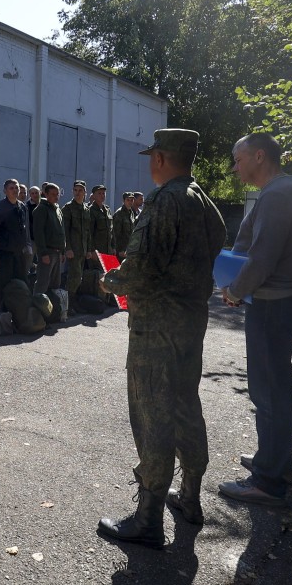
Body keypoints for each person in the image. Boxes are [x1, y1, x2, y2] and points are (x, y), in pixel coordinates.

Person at [96, 128, 225, 547]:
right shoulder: (205, 203)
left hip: (156, 328)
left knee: (152, 412)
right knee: (186, 404)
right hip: (191, 324)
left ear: (161, 158)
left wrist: (109, 281)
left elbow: (142, 266)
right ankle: (190, 497)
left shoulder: (163, 199)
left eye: (153, 156)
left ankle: (148, 517)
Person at [217, 132, 292, 506]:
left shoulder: (276, 196)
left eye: (237, 158)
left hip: (274, 301)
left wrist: (234, 291)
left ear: (259, 156)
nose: (235, 166)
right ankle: (275, 463)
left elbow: (263, 258)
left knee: (270, 388)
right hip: (289, 297)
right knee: (277, 384)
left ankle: (268, 480)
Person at [0, 178, 31, 295]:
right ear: (5, 191)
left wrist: (27, 245)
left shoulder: (22, 207)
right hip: (4, 253)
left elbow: (25, 228)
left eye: (17, 188)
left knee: (21, 282)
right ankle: (3, 310)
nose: (15, 190)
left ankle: (18, 310)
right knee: (4, 283)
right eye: (11, 188)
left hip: (20, 253)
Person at [31, 183, 65, 294]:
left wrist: (63, 251)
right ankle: (37, 307)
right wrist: (43, 253)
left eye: (57, 194)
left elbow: (61, 231)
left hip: (57, 252)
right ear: (45, 194)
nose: (56, 196)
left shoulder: (57, 209)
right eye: (53, 194)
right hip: (47, 252)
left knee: (55, 283)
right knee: (43, 282)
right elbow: (38, 233)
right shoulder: (41, 209)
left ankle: (52, 308)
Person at [62, 181, 92, 298]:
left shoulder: (86, 209)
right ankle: (69, 303)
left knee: (79, 277)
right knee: (74, 277)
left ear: (85, 192)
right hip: (73, 250)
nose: (77, 193)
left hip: (83, 249)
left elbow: (88, 231)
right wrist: (68, 248)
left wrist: (89, 249)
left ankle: (73, 301)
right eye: (75, 190)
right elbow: (65, 231)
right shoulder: (68, 208)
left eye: (80, 190)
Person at [87, 184, 114, 262]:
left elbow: (112, 230)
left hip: (108, 250)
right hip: (97, 250)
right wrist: (92, 250)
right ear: (94, 196)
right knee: (98, 272)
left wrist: (113, 247)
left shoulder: (107, 210)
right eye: (99, 193)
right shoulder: (90, 211)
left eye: (103, 193)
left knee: (109, 272)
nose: (102, 195)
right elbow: (89, 233)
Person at [113, 192, 136, 260]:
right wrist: (120, 249)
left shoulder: (131, 212)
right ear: (123, 201)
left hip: (129, 248)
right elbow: (116, 233)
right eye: (128, 200)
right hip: (121, 249)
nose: (130, 202)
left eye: (132, 200)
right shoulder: (119, 213)